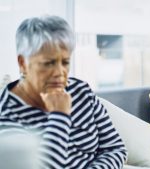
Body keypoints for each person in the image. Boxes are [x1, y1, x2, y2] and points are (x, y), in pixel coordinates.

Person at [0, 15, 127, 169]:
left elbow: (115, 148)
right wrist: (60, 116)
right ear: (22, 63)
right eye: (48, 63)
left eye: (65, 62)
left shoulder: (81, 91)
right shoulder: (6, 115)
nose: (60, 73)